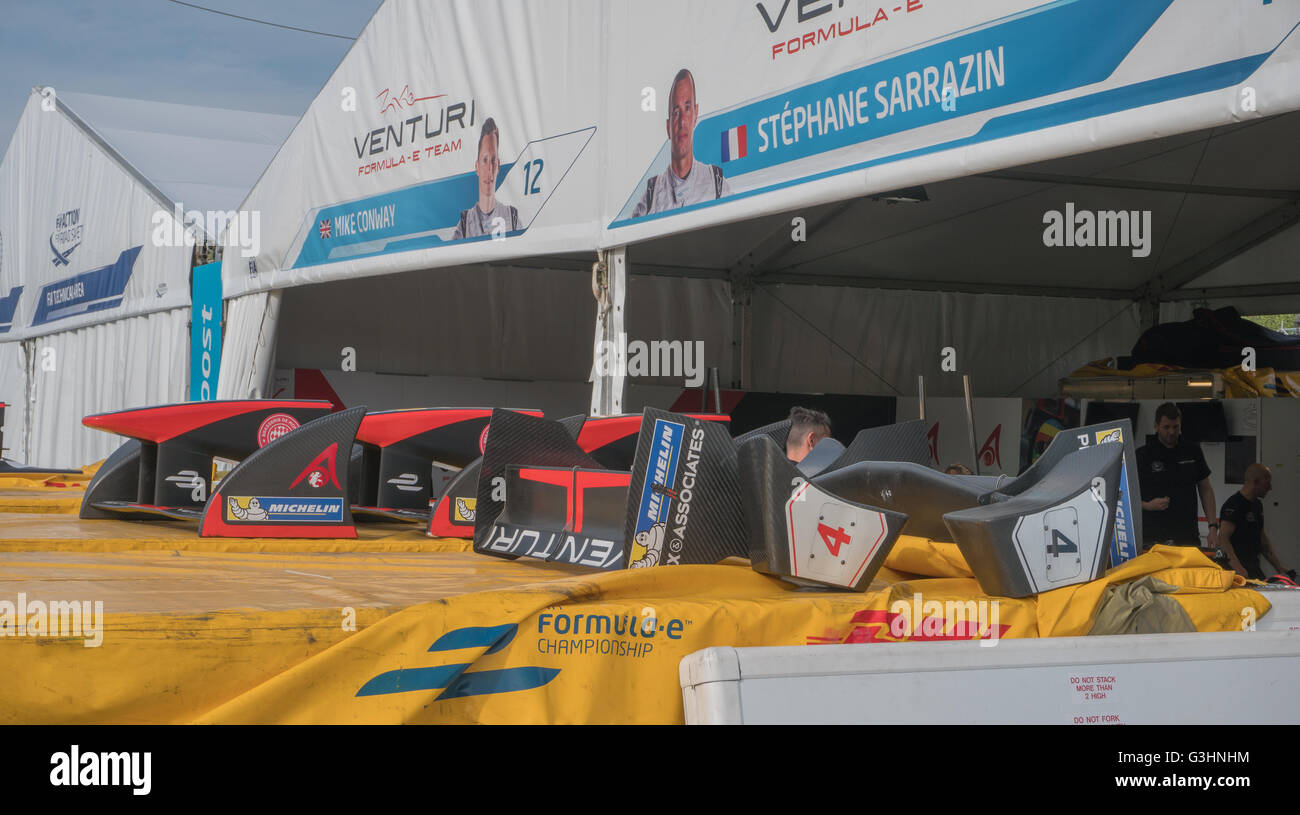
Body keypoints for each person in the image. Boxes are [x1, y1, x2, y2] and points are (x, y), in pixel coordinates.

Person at [632, 68, 730, 217]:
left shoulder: (716, 183)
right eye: (676, 112)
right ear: (668, 127)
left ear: (696, 115)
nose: (682, 121)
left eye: (688, 108)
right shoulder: (651, 197)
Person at [1136, 402, 1219, 550]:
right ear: (1156, 426)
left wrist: (1212, 526)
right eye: (1166, 427)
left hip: (1187, 536)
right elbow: (1125, 496)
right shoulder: (1143, 455)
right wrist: (1147, 506)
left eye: (1176, 427)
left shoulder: (1192, 450)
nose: (1171, 432)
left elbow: (1205, 488)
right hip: (1153, 537)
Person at [1220, 463, 1294, 581]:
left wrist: (1280, 568)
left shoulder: (1257, 505)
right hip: (1236, 571)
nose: (1270, 487)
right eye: (1267, 483)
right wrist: (1238, 568)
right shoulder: (1233, 505)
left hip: (1253, 568)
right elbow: (1223, 539)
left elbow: (1263, 540)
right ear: (1255, 482)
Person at [453, 118, 521, 240]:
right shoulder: (465, 223)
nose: (489, 169)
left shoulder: (512, 217)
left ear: (498, 166)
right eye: (485, 160)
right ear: (477, 166)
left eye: (493, 160)